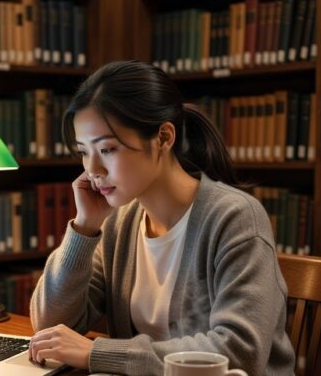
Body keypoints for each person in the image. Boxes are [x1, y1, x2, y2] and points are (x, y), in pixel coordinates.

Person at [27, 60, 296, 375]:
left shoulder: (235, 217)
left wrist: (98, 353)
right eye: (84, 152)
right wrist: (84, 229)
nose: (93, 171)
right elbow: (49, 327)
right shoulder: (118, 221)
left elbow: (238, 350)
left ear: (164, 138)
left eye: (108, 149)